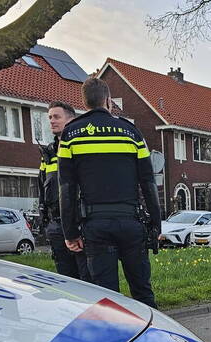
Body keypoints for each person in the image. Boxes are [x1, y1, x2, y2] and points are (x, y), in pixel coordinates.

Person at [58, 77, 161, 307]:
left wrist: (70, 232)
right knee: (143, 292)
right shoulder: (131, 133)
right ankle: (152, 336)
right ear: (108, 100)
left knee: (106, 300)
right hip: (131, 223)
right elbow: (148, 182)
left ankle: (115, 339)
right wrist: (156, 224)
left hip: (96, 226)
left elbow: (66, 188)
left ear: (85, 103)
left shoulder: (70, 135)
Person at [37, 101, 90, 281]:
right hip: (56, 226)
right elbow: (42, 188)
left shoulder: (81, 150)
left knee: (87, 278)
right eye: (50, 117)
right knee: (66, 280)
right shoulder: (48, 154)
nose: (52, 121)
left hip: (79, 224)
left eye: (56, 117)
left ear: (71, 120)